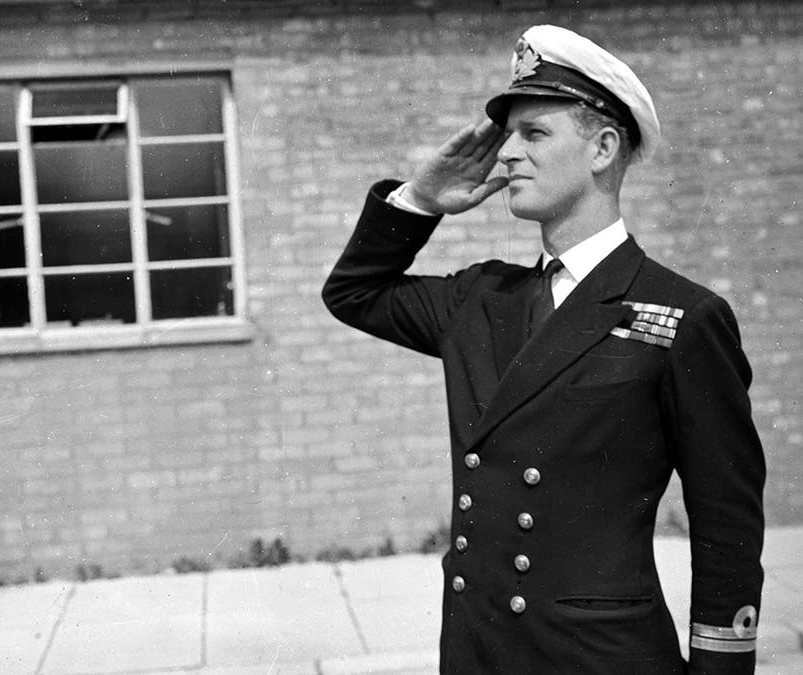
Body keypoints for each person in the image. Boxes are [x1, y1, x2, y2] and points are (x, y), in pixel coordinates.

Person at [323, 24, 765, 674]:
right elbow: (354, 293)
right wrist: (420, 199)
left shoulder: (682, 316)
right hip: (477, 653)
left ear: (603, 148)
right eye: (508, 134)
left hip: (597, 659)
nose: (507, 154)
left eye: (534, 134)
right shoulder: (481, 298)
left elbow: (727, 524)